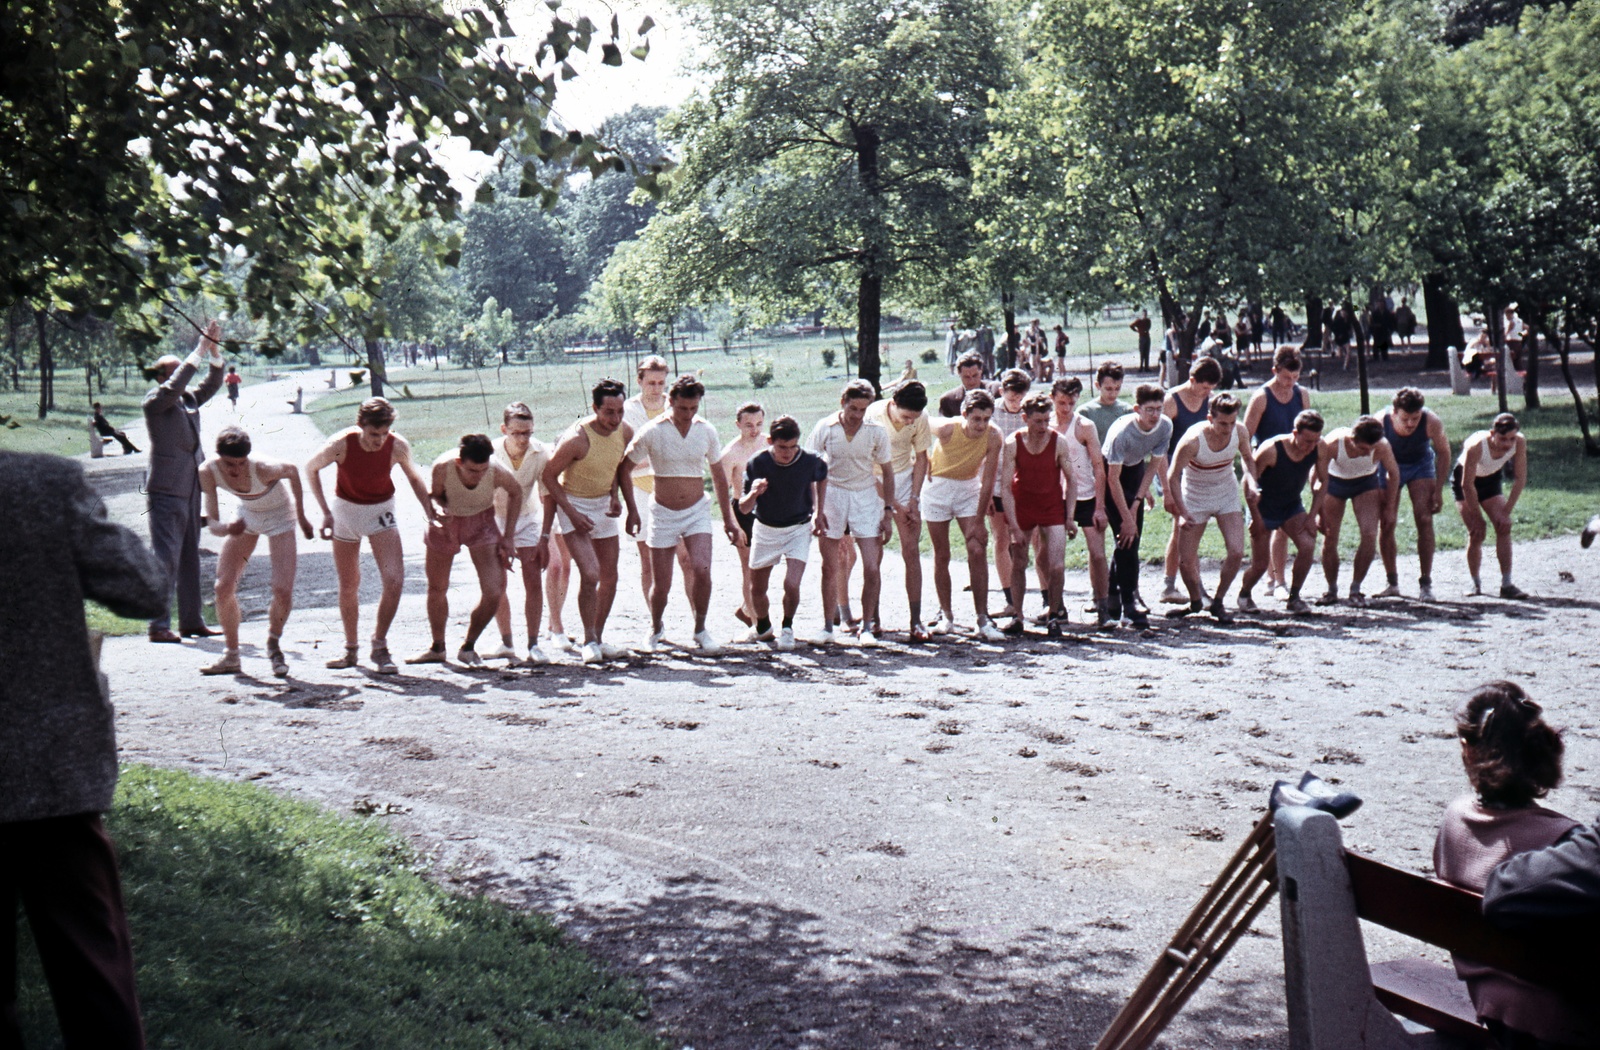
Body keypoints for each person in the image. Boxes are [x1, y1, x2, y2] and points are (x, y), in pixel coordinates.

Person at [2, 448, 168, 1049]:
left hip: (51, 773)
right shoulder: (39, 482)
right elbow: (144, 588)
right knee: (92, 975)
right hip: (49, 772)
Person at [1434, 681, 1597, 1050]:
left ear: (1468, 750)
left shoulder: (1453, 820)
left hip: (1493, 1005)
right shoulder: (1566, 841)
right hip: (1562, 1023)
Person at [304, 396, 435, 674]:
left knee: (394, 579)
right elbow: (311, 468)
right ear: (360, 425)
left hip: (381, 512)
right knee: (349, 583)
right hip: (346, 513)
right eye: (374, 434)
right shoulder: (341, 443)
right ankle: (350, 649)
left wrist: (430, 511)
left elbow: (414, 477)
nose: (379, 440)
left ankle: (379, 644)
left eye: (385, 433)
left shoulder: (397, 445)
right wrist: (325, 512)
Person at [621, 374, 739, 654]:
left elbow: (719, 477)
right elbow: (623, 469)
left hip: (697, 510)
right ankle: (656, 626)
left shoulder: (706, 430)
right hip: (662, 512)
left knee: (701, 568)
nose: (688, 414)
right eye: (682, 408)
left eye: (693, 408)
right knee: (661, 584)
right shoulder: (652, 430)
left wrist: (728, 519)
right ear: (670, 402)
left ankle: (700, 629)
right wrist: (631, 510)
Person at [197, 426, 314, 676]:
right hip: (247, 515)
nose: (236, 470)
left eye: (241, 462)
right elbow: (213, 524)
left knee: (282, 589)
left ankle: (273, 642)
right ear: (218, 457)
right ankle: (231, 655)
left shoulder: (262, 467)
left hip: (280, 515)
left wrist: (302, 517)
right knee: (223, 587)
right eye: (230, 463)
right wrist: (228, 527)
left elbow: (292, 471)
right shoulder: (207, 471)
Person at [142, 319, 226, 643]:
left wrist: (213, 350)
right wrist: (198, 349)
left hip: (191, 488)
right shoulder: (155, 402)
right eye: (175, 371)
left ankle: (191, 621)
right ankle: (158, 624)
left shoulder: (187, 400)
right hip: (166, 490)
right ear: (163, 377)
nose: (183, 375)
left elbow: (213, 381)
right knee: (165, 557)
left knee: (191, 555)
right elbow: (177, 384)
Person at [406, 434, 521, 666]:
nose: (479, 476)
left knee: (494, 590)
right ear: (460, 462)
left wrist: (508, 536)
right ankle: (437, 647)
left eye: (482, 470)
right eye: (472, 471)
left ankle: (468, 646)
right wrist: (436, 512)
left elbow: (516, 492)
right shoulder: (443, 466)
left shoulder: (496, 470)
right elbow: (436, 496)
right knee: (437, 586)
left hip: (482, 523)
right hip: (448, 523)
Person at [542, 379, 634, 665]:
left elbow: (618, 466)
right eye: (609, 412)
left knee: (610, 576)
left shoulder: (625, 431)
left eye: (620, 411)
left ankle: (598, 636)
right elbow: (548, 476)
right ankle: (589, 639)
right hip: (574, 506)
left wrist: (616, 496)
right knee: (590, 574)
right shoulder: (577, 439)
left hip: (603, 506)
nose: (615, 419)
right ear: (594, 408)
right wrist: (570, 512)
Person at [807, 379, 898, 645]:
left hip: (865, 496)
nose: (857, 415)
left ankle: (867, 627)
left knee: (871, 565)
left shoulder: (876, 431)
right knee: (830, 565)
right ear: (842, 403)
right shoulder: (825, 427)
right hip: (832, 494)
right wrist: (816, 509)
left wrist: (888, 512)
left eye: (862, 409)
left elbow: (888, 473)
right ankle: (827, 627)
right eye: (853, 408)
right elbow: (812, 469)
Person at [1166, 392, 1257, 623]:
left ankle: (1218, 601)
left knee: (1236, 551)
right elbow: (1172, 476)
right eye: (1222, 423)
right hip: (1194, 497)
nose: (1228, 428)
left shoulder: (1240, 431)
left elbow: (1248, 459)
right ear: (1210, 418)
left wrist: (1253, 482)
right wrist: (1183, 512)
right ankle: (1196, 601)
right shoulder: (1193, 440)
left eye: (1232, 422)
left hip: (1225, 492)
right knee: (1185, 561)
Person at [740, 415, 830, 651]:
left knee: (792, 583)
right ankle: (763, 627)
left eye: (792, 447)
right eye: (782, 447)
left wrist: (819, 511)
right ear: (770, 441)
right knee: (757, 588)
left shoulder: (809, 460)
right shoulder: (757, 463)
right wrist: (754, 493)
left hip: (798, 528)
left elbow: (822, 474)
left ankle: (788, 627)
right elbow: (743, 507)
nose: (788, 452)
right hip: (766, 528)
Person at [923, 389, 1005, 640]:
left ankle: (983, 617)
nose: (981, 424)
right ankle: (946, 616)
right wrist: (924, 458)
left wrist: (979, 521)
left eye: (986, 418)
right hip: (937, 487)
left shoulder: (993, 436)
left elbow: (989, 478)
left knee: (977, 549)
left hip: (969, 488)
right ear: (964, 414)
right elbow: (921, 421)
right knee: (942, 554)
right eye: (976, 418)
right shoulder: (948, 428)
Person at [1001, 393, 1078, 637]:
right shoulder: (1013, 442)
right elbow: (1004, 486)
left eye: (1047, 420)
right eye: (1038, 422)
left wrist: (1070, 516)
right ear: (1025, 419)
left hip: (1051, 506)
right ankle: (1017, 616)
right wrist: (1013, 525)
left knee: (1055, 566)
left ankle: (1054, 614)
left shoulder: (1059, 442)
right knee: (1019, 562)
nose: (1044, 427)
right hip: (1024, 505)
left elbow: (1071, 480)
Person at [866, 381, 934, 641]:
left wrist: (914, 500)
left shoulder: (920, 418)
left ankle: (916, 621)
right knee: (874, 554)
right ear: (892, 404)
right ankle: (873, 618)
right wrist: (894, 505)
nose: (910, 423)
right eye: (906, 417)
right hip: (873, 482)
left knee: (912, 550)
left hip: (905, 479)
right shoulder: (872, 416)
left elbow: (922, 459)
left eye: (913, 419)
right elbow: (865, 465)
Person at [1237, 410, 1323, 615]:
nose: (1310, 446)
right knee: (1260, 564)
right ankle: (1244, 594)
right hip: (1264, 507)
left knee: (1308, 545)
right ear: (1295, 433)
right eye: (1307, 440)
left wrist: (1312, 516)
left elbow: (1323, 481)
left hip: (1291, 505)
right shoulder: (1272, 449)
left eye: (1315, 440)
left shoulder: (1319, 448)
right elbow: (1249, 482)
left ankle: (1294, 597)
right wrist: (1255, 517)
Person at [1244, 347, 1313, 600]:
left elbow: (1308, 428)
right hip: (1267, 464)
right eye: (1286, 378)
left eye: (1295, 378)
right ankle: (1267, 577)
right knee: (1264, 526)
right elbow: (1246, 438)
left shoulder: (1301, 394)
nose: (1291, 383)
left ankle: (1279, 580)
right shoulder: (1262, 397)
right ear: (1275, 371)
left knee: (1285, 526)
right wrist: (1251, 476)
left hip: (1292, 464)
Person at [623, 356, 691, 614]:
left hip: (675, 490)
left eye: (661, 382)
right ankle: (656, 623)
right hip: (640, 489)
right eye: (650, 382)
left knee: (687, 558)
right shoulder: (627, 411)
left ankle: (699, 622)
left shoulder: (676, 407)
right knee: (649, 561)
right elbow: (626, 456)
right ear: (639, 381)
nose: (656, 388)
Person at [1101, 385, 1172, 630]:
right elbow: (1111, 479)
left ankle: (1115, 595)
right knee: (1126, 536)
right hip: (1110, 473)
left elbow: (1153, 466)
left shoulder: (1165, 426)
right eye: (1149, 410)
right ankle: (1128, 604)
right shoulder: (1123, 432)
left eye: (1159, 409)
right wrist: (1126, 515)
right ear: (1137, 409)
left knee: (1131, 538)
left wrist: (1137, 503)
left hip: (1135, 471)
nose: (1155, 415)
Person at [1313, 415, 1401, 607]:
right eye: (1362, 448)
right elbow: (1316, 478)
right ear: (1352, 440)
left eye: (1370, 449)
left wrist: (1390, 508)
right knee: (1329, 536)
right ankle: (1331, 589)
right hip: (1334, 483)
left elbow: (1393, 474)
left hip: (1365, 484)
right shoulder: (1334, 443)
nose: (1366, 453)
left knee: (1369, 534)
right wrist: (1317, 513)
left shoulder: (1382, 446)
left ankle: (1355, 588)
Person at [490, 402, 552, 666]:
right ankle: (506, 642)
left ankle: (533, 643)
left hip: (527, 518)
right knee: (496, 583)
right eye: (516, 433)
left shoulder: (541, 453)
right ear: (504, 429)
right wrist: (502, 538)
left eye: (527, 432)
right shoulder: (490, 452)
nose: (523, 438)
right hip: (493, 519)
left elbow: (548, 496)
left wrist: (545, 538)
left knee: (533, 579)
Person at [1375, 388, 1452, 601]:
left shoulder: (1431, 421)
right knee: (1387, 521)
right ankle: (1392, 582)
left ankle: (1426, 584)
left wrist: (1438, 490)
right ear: (1394, 413)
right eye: (1405, 419)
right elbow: (1370, 456)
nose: (1410, 424)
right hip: (1390, 467)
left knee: (1425, 518)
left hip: (1420, 465)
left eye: (1415, 418)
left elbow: (1444, 452)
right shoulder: (1381, 422)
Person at [1158, 357, 1222, 603]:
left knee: (1187, 527)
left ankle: (1174, 584)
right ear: (1192, 380)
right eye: (1204, 387)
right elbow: (1159, 449)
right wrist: (1165, 484)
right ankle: (1182, 585)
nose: (1208, 393)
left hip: (1201, 470)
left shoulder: (1210, 402)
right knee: (1184, 524)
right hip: (1175, 468)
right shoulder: (1171, 402)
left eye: (1211, 389)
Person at [1050, 377, 1111, 624]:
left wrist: (1100, 507)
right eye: (1061, 402)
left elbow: (1099, 467)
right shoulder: (1047, 424)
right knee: (1052, 555)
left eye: (1071, 403)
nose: (1066, 408)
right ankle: (1055, 606)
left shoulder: (1084, 426)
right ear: (1052, 398)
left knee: (1097, 553)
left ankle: (1103, 606)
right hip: (1056, 496)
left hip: (1085, 495)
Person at [1455, 413, 1529, 599]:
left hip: (1490, 480)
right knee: (1477, 531)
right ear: (1492, 433)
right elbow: (1467, 485)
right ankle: (1475, 584)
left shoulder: (1519, 442)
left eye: (1511, 438)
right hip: (1465, 482)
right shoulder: (1477, 446)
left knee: (1504, 526)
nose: (1507, 444)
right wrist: (1478, 517)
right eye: (1502, 439)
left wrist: (1506, 512)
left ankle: (1507, 584)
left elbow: (1520, 479)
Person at [990, 370, 1032, 616]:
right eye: (1011, 397)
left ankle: (1039, 598)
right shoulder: (993, 412)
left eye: (1020, 398)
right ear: (1001, 391)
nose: (1015, 402)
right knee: (1001, 539)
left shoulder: (1030, 412)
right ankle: (1010, 600)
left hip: (1024, 485)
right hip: (995, 483)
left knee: (1025, 542)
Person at [721, 403, 766, 636]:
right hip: (743, 513)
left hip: (768, 511)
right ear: (738, 424)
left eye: (758, 424)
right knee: (749, 568)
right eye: (748, 425)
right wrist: (733, 524)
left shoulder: (768, 443)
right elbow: (724, 493)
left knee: (765, 567)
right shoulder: (730, 453)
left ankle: (747, 609)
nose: (754, 429)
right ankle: (758, 623)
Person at [938, 352, 1000, 418]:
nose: (971, 381)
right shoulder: (948, 400)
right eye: (966, 377)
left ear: (981, 370)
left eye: (975, 375)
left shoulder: (996, 391)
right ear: (959, 373)